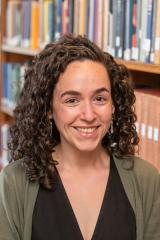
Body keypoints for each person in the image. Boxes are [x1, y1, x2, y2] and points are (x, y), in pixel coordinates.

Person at [0, 34, 159, 240]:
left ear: (113, 104)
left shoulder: (146, 179)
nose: (89, 115)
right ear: (48, 108)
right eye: (72, 100)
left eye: (99, 98)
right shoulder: (14, 183)